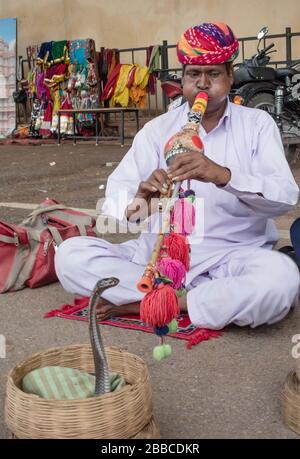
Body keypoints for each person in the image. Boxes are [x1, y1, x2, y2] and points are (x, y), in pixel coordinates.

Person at [55, 22, 300, 330]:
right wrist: (141, 202)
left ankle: (165, 302)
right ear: (182, 78)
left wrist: (222, 175)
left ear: (230, 75)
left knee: (282, 280)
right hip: (157, 256)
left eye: (213, 74)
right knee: (70, 256)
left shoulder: (257, 125)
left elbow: (284, 197)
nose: (202, 84)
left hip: (232, 256)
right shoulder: (157, 130)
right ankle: (201, 300)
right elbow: (116, 199)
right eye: (193, 74)